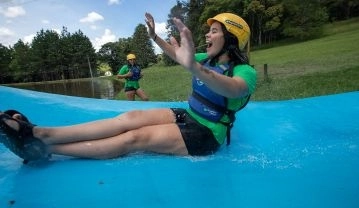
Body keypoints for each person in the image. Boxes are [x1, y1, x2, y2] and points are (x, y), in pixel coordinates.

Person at [0, 12, 257, 164]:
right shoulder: (205, 60)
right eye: (209, 31)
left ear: (232, 39)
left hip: (207, 135)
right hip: (188, 114)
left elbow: (233, 90)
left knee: (136, 138)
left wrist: (194, 68)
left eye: (214, 31)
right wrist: (154, 37)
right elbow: (178, 54)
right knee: (131, 117)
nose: (207, 36)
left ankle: (42, 148)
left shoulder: (244, 72)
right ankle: (42, 132)